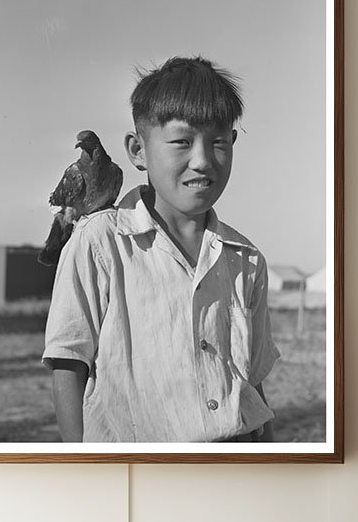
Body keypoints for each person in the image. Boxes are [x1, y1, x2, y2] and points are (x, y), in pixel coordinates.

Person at [42, 56, 279, 442]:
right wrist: (81, 468)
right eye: (182, 142)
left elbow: (252, 384)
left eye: (218, 142)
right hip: (138, 471)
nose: (202, 161)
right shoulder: (100, 241)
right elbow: (68, 363)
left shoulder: (245, 259)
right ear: (138, 150)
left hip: (238, 468)